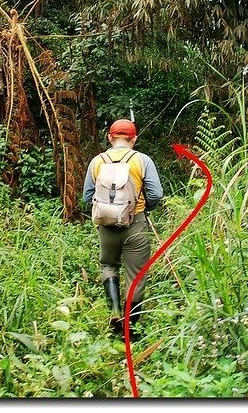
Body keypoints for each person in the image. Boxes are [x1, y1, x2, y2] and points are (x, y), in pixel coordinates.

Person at [83, 119, 163, 337]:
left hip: (106, 225)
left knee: (108, 264)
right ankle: (131, 329)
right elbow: (156, 194)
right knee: (136, 274)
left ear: (110, 137)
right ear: (134, 139)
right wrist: (144, 207)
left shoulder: (97, 162)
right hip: (135, 222)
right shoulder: (142, 160)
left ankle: (115, 314)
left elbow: (87, 197)